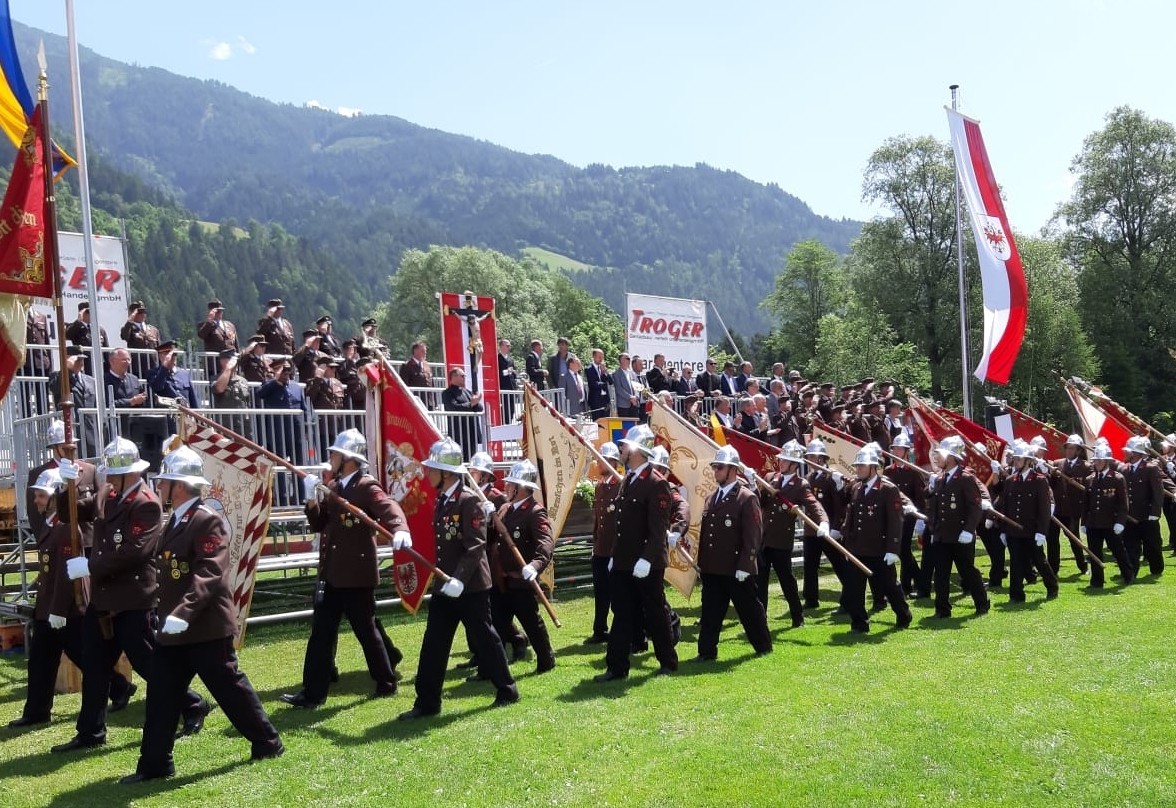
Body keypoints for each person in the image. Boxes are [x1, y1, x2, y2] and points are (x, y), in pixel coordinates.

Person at [122, 446, 283, 783]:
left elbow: (209, 572)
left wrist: (183, 612)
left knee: (230, 690)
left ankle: (268, 742)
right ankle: (154, 765)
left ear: (179, 485)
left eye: (166, 481)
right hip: (174, 629)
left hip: (205, 627)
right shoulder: (176, 520)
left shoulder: (206, 519)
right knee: (161, 698)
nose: (161, 487)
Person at [53, 438, 211, 755]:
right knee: (95, 666)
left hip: (133, 598)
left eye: (115, 474)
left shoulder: (146, 503)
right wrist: (65, 486)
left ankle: (192, 704)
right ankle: (90, 732)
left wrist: (91, 565)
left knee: (148, 663)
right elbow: (70, 514)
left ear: (130, 474)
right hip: (103, 600)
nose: (108, 479)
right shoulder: (107, 495)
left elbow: (136, 552)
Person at [281, 430, 407, 709]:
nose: (331, 457)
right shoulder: (336, 488)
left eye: (335, 454)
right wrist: (311, 499)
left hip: (356, 575)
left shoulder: (365, 486)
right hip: (332, 573)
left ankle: (386, 681)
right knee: (321, 634)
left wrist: (399, 529)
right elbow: (319, 523)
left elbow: (390, 507)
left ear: (348, 458)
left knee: (367, 632)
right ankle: (313, 693)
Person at [399, 438, 518, 719]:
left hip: (471, 586)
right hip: (446, 585)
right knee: (434, 643)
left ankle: (507, 688)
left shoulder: (469, 501)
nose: (427, 473)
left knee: (485, 638)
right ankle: (427, 702)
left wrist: (460, 580)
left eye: (433, 469)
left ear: (447, 473)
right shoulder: (443, 500)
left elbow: (476, 546)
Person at [8, 469, 134, 730]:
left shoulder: (66, 528)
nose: (37, 501)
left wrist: (56, 610)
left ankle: (118, 687)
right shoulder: (51, 523)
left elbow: (65, 575)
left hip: (66, 608)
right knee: (42, 660)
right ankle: (37, 710)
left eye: (41, 495)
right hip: (50, 606)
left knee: (84, 658)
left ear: (54, 497)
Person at [594, 424, 678, 682]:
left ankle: (668, 661)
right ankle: (616, 667)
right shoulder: (628, 480)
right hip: (623, 561)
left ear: (638, 451)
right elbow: (621, 526)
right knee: (622, 613)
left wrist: (646, 559)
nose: (621, 450)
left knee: (654, 612)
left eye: (624, 447)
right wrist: (614, 557)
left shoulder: (656, 483)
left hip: (646, 562)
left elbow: (657, 529)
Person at [693, 446, 771, 660]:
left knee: (749, 611)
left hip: (736, 567)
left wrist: (747, 565)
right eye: (714, 467)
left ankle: (763, 646)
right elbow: (708, 534)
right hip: (713, 567)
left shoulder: (746, 498)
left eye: (720, 467)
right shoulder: (711, 498)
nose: (715, 471)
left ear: (733, 470)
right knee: (710, 612)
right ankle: (706, 652)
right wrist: (702, 563)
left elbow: (753, 534)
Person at [487, 461, 556, 674]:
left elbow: (545, 543)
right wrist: (488, 517)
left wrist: (535, 566)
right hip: (501, 579)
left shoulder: (535, 512)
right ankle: (489, 668)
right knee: (495, 625)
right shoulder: (506, 508)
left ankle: (546, 659)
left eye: (511, 484)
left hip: (520, 579)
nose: (506, 487)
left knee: (531, 623)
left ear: (522, 488)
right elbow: (492, 538)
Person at [838, 444, 913, 633]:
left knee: (889, 587)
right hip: (857, 548)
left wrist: (893, 549)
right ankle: (859, 623)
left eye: (862, 466)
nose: (858, 469)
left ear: (873, 467)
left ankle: (903, 614)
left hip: (880, 549)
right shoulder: (856, 488)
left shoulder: (888, 489)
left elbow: (895, 521)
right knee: (854, 589)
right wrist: (847, 543)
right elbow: (852, 518)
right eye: (857, 466)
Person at [758, 440, 826, 628]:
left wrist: (824, 522)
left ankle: (797, 616)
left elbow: (813, 505)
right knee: (760, 581)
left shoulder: (800, 484)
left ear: (795, 464)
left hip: (781, 541)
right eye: (782, 459)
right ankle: (760, 619)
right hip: (764, 539)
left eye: (786, 461)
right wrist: (760, 485)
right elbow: (761, 502)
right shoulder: (771, 476)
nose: (781, 463)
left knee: (786, 580)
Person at [925, 435, 992, 618]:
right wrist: (933, 528)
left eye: (941, 454)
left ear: (952, 457)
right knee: (941, 574)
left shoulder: (965, 478)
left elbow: (975, 506)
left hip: (960, 533)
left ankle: (982, 602)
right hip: (942, 535)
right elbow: (934, 507)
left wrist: (969, 530)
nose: (937, 458)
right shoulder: (939, 479)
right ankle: (942, 609)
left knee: (967, 571)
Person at [996, 440, 1059, 603]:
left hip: (1032, 530)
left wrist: (1042, 531)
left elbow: (1044, 509)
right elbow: (1006, 507)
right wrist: (1004, 529)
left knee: (1039, 560)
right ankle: (1016, 594)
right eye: (1015, 458)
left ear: (1028, 461)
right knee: (1016, 562)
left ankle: (1052, 586)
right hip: (1014, 531)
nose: (1015, 461)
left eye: (1019, 459)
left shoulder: (1039, 480)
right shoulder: (1010, 480)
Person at [801, 439, 846, 609]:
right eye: (809, 457)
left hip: (829, 530)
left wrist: (836, 528)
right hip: (812, 530)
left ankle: (849, 597)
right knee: (810, 566)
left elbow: (839, 506)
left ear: (821, 458)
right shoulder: (808, 478)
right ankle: (811, 599)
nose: (810, 460)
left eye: (812, 457)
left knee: (839, 565)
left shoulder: (831, 477)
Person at [1081, 443, 1133, 588]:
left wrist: (1120, 522)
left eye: (1099, 460)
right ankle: (1097, 580)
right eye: (1095, 460)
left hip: (1111, 522)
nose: (1096, 463)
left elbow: (1124, 503)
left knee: (1118, 550)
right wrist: (1084, 522)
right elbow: (1086, 504)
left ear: (1106, 461)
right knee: (1094, 552)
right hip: (1094, 523)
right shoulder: (1089, 479)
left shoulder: (1117, 478)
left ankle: (1128, 575)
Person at [883, 433, 927, 597]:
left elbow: (920, 498)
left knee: (903, 549)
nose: (895, 452)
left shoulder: (913, 471)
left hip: (908, 517)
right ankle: (914, 582)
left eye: (899, 449)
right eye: (894, 449)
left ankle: (910, 583)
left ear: (906, 451)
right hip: (893, 517)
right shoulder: (888, 471)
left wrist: (919, 518)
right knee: (903, 551)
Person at [586, 442, 622, 644]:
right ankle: (599, 630)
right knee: (600, 594)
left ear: (612, 462)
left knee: (617, 595)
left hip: (614, 551)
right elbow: (598, 520)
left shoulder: (620, 485)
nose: (599, 463)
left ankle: (620, 631)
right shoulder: (600, 486)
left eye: (602, 459)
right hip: (600, 550)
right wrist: (595, 544)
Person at [1120, 435, 1165, 577]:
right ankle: (1132, 571)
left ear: (1136, 453)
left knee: (1152, 545)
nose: (1125, 452)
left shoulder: (1151, 468)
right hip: (1130, 515)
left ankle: (1156, 568)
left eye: (1128, 450)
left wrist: (1155, 512)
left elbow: (1158, 492)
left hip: (1147, 514)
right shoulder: (1124, 470)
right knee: (1131, 545)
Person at [1047, 434, 1090, 575]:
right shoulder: (1057, 464)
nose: (1069, 451)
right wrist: (1052, 475)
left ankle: (1082, 565)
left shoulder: (1086, 467)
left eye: (1072, 448)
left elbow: (1087, 489)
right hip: (1057, 509)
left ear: (1079, 451)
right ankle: (1053, 569)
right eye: (1067, 448)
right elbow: (1050, 486)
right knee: (1052, 540)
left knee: (1073, 538)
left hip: (1073, 510)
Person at [48, 352, 100, 454]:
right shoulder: (58, 376)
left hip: (90, 429)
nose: (80, 363)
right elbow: (55, 388)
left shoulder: (90, 380)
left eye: (82, 360)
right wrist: (66, 369)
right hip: (70, 428)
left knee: (92, 460)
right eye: (77, 360)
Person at [441, 367, 483, 461]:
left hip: (471, 431)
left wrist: (476, 401)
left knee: (471, 458)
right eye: (462, 376)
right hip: (458, 432)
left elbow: (479, 408)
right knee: (460, 459)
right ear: (454, 377)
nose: (464, 378)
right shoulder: (447, 393)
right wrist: (471, 403)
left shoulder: (467, 392)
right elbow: (453, 408)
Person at [147, 341, 200, 408]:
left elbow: (193, 398)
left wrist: (198, 414)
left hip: (185, 414)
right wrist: (165, 367)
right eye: (168, 354)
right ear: (160, 356)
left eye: (174, 355)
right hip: (167, 415)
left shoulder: (184, 374)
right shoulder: (153, 373)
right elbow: (157, 387)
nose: (172, 358)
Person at [64, 302, 109, 375]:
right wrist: (79, 320)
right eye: (87, 312)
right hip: (85, 364)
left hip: (100, 364)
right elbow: (68, 335)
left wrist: (108, 366)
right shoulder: (76, 327)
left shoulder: (100, 330)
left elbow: (106, 350)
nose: (90, 314)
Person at [119, 301, 161, 376]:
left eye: (144, 312)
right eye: (139, 312)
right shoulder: (129, 328)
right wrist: (130, 319)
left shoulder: (153, 330)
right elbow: (125, 336)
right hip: (137, 368)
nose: (142, 314)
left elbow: (159, 349)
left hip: (153, 367)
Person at [585, 348, 611, 420]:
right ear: (594, 357)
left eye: (602, 357)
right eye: (599, 357)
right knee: (597, 422)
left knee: (606, 421)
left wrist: (605, 372)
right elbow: (593, 384)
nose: (601, 359)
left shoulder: (603, 368)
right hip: (596, 400)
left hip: (605, 400)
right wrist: (604, 384)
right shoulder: (589, 369)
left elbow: (611, 381)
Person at [497, 338, 518, 423]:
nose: (509, 347)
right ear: (501, 346)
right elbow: (497, 373)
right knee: (505, 409)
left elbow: (514, 372)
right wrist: (507, 371)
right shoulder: (497, 358)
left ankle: (510, 424)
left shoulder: (510, 359)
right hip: (503, 387)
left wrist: (514, 372)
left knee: (512, 409)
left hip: (512, 387)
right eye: (507, 346)